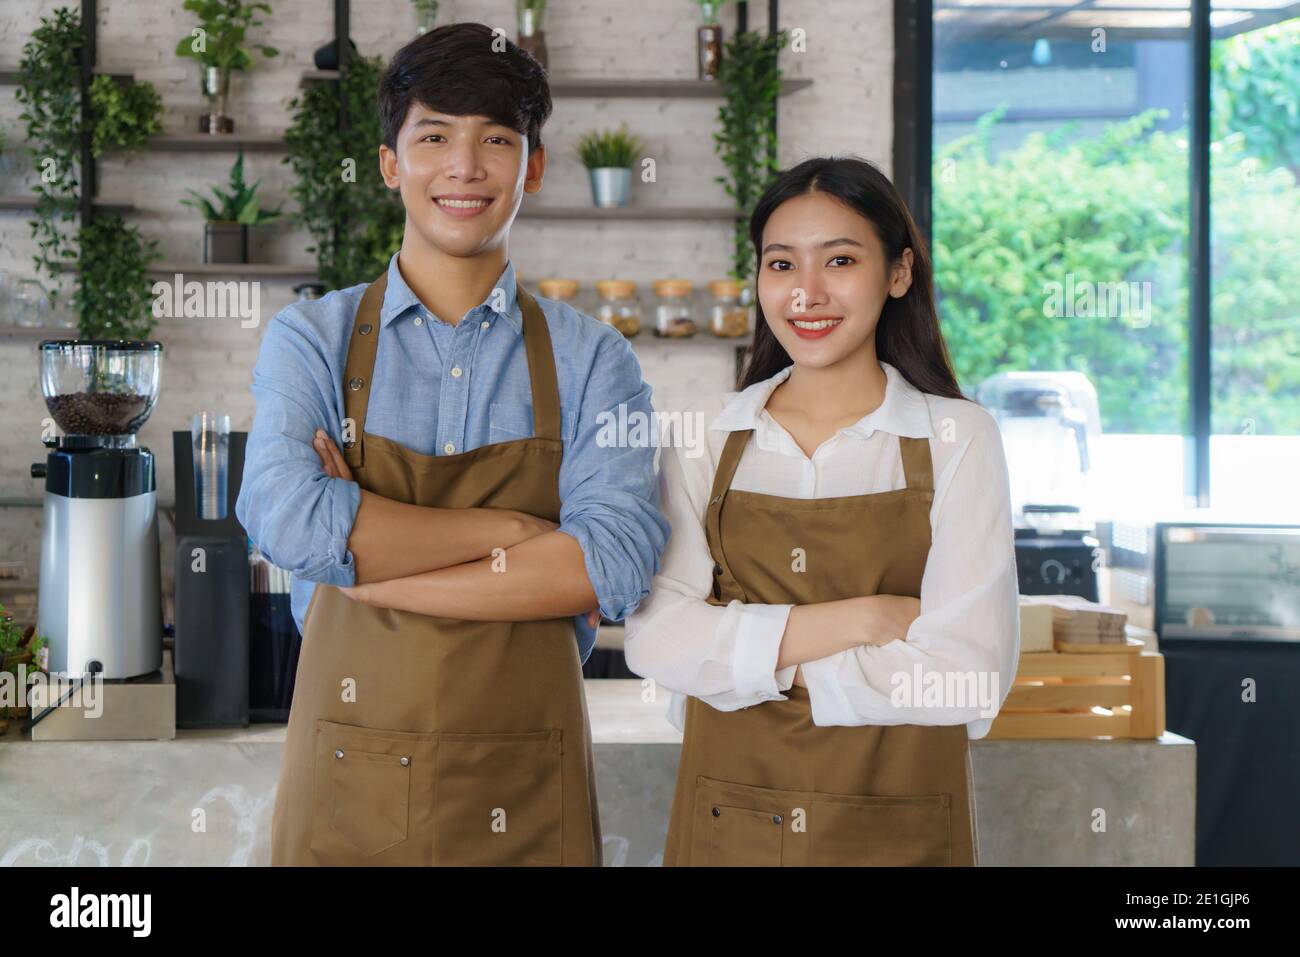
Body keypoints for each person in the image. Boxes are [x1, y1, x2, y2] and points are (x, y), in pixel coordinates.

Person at [236, 23, 668, 867]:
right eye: (434, 136)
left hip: (526, 791)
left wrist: (364, 563)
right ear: (393, 162)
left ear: (532, 166)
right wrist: (515, 534)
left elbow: (612, 561)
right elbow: (290, 520)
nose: (465, 167)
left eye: (496, 140)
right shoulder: (312, 340)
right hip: (345, 792)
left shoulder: (591, 358)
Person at [622, 156, 1020, 867]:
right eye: (781, 265)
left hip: (900, 826)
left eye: (840, 259)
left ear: (898, 273)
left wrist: (744, 658)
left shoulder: (959, 436)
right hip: (729, 819)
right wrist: (861, 621)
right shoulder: (706, 434)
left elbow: (968, 673)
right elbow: (655, 643)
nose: (808, 292)